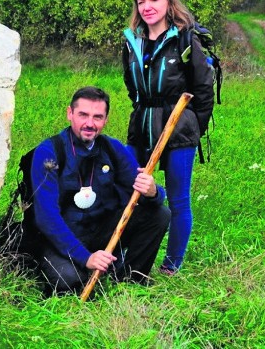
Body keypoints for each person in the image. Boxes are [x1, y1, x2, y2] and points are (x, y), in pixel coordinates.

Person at [31, 86, 170, 295]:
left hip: (101, 230)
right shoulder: (49, 152)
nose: (89, 123)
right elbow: (47, 218)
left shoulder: (113, 149)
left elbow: (144, 189)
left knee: (159, 214)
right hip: (62, 236)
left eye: (97, 117)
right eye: (83, 115)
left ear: (105, 119)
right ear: (70, 114)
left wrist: (154, 191)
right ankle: (77, 265)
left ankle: (130, 281)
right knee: (68, 281)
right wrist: (85, 257)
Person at [122, 0, 215, 275]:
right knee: (128, 187)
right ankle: (128, 255)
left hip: (178, 127)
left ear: (167, 2)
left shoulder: (185, 39)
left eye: (154, 0)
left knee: (178, 199)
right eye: (141, 2)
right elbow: (131, 86)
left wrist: (192, 129)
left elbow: (203, 89)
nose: (147, 6)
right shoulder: (132, 42)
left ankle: (171, 265)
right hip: (141, 124)